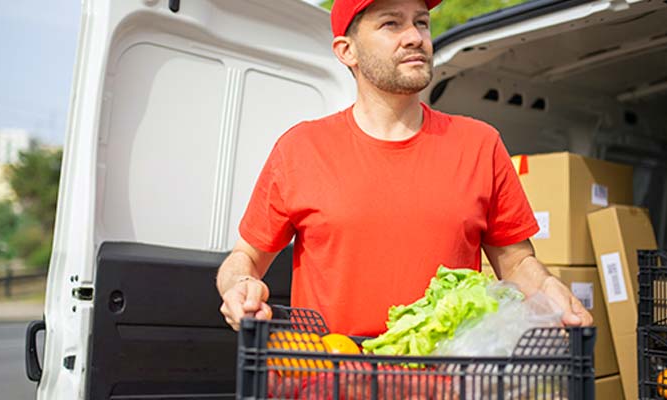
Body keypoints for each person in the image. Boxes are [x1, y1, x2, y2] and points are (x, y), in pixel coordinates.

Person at [216, 0, 593, 335]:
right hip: (330, 378)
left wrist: (549, 291)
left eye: (422, 22)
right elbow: (244, 259)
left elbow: (516, 262)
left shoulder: (480, 144)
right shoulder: (300, 148)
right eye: (391, 24)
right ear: (347, 51)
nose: (415, 37)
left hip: (449, 381)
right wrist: (238, 285)